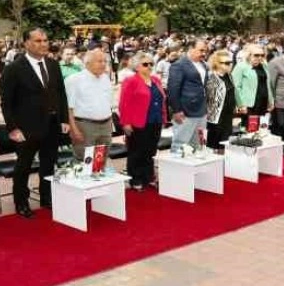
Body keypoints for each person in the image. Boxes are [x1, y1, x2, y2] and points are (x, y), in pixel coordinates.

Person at [0, 29, 69, 218]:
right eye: (38, 40)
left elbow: (61, 94)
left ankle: (47, 197)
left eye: (46, 40)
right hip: (26, 128)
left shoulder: (53, 65)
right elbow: (6, 103)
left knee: (49, 164)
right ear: (26, 43)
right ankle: (21, 202)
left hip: (52, 125)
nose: (43, 44)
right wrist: (13, 128)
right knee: (23, 167)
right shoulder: (14, 68)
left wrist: (63, 119)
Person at [118, 52, 167, 191]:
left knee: (150, 150)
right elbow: (124, 103)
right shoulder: (131, 81)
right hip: (137, 122)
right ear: (137, 66)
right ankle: (136, 178)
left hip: (155, 120)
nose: (149, 67)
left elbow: (161, 100)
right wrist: (125, 123)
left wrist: (163, 117)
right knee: (137, 151)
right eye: (145, 64)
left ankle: (148, 176)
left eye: (151, 64)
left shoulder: (155, 80)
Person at [65, 49, 113, 163]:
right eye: (99, 61)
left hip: (105, 125)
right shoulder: (74, 80)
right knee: (85, 161)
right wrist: (74, 130)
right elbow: (69, 108)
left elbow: (107, 103)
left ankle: (98, 178)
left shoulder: (105, 78)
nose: (103, 64)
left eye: (104, 61)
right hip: (85, 126)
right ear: (87, 63)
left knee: (100, 160)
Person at [167, 40, 208, 152]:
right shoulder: (178, 65)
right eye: (201, 50)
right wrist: (176, 110)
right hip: (185, 111)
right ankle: (176, 168)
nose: (204, 53)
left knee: (199, 143)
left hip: (202, 110)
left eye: (205, 51)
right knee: (181, 144)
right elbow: (173, 89)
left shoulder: (203, 64)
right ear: (191, 49)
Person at [205, 50, 236, 153]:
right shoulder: (211, 76)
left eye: (230, 62)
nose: (229, 65)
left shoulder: (229, 76)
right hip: (216, 114)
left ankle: (223, 159)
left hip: (228, 113)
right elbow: (207, 96)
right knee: (215, 138)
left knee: (226, 139)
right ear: (217, 63)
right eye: (226, 63)